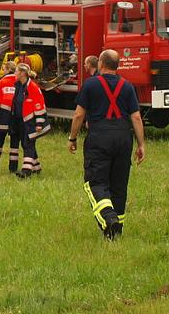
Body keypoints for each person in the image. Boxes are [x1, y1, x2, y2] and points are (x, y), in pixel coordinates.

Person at [68, 49, 146, 241]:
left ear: (101, 64)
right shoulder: (127, 86)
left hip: (100, 136)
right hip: (123, 137)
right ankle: (114, 233)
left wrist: (72, 138)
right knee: (119, 186)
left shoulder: (90, 85)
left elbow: (79, 115)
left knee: (95, 182)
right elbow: (135, 117)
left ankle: (109, 218)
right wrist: (141, 144)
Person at [13, 65, 50, 178]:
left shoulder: (32, 87)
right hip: (22, 120)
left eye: (16, 71)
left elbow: (39, 105)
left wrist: (39, 123)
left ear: (22, 73)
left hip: (31, 121)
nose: (14, 73)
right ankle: (36, 167)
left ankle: (26, 170)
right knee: (27, 143)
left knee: (28, 143)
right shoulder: (19, 85)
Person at [0, 62, 21, 173]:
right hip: (16, 117)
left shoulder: (2, 81)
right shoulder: (19, 82)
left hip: (2, 116)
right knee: (15, 144)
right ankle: (13, 168)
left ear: (7, 70)